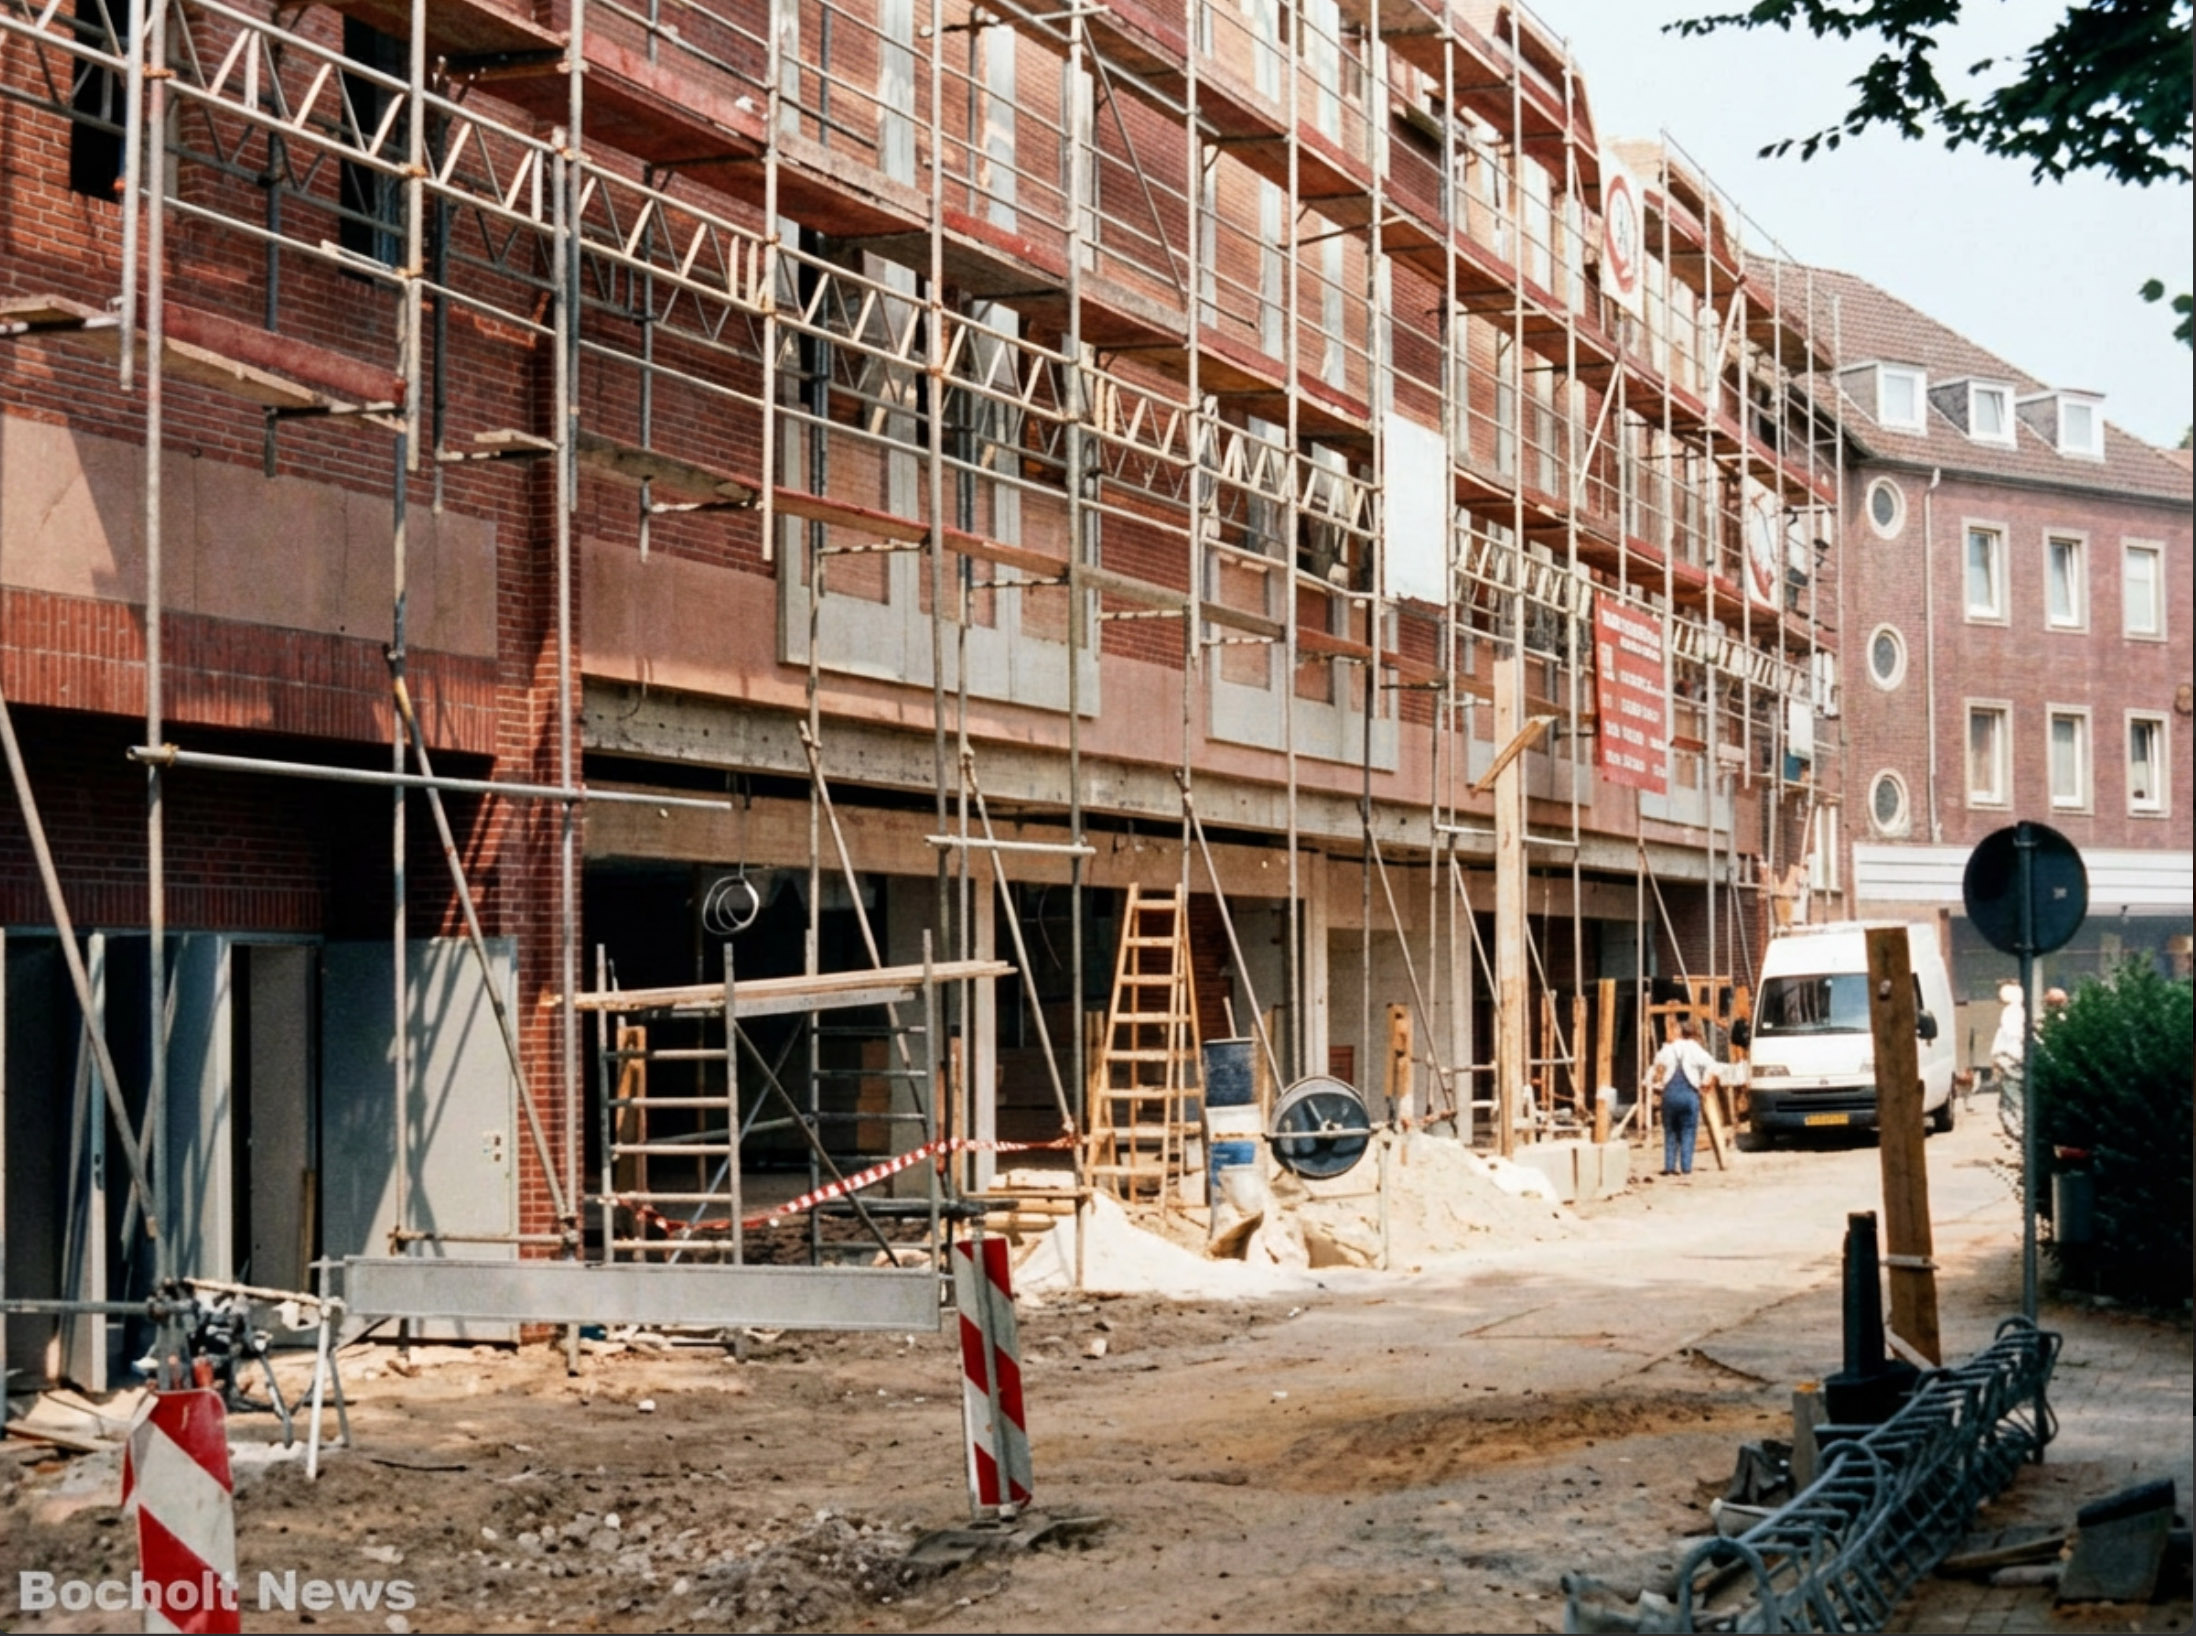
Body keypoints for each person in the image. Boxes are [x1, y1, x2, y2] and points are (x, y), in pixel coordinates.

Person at [1648, 1018, 1719, 1179]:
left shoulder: (1666, 1049)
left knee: (1670, 1131)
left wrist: (1657, 1086)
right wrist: (1705, 1083)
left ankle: (1669, 1166)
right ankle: (1686, 1167)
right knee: (1688, 1130)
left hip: (1670, 1095)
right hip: (1689, 1094)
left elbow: (1654, 1070)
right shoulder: (1694, 1048)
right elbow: (1712, 1064)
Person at [1991, 980, 2027, 1138]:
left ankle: (2021, 1135)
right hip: (2013, 1062)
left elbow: (2011, 1038)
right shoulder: (2019, 1011)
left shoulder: (2011, 1012)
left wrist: (2000, 1059)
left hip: (2011, 1063)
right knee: (2012, 1104)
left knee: (2011, 1105)